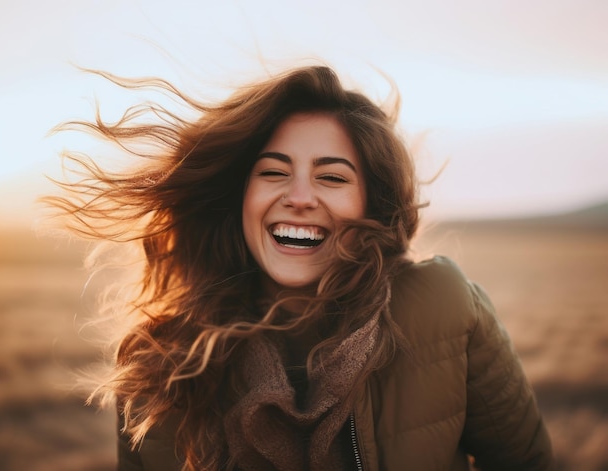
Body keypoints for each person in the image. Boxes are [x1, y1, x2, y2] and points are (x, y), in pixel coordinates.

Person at [46, 65, 555, 470]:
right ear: (238, 198)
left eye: (332, 178)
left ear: (371, 205)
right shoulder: (161, 358)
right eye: (273, 172)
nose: (299, 197)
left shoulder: (441, 305)